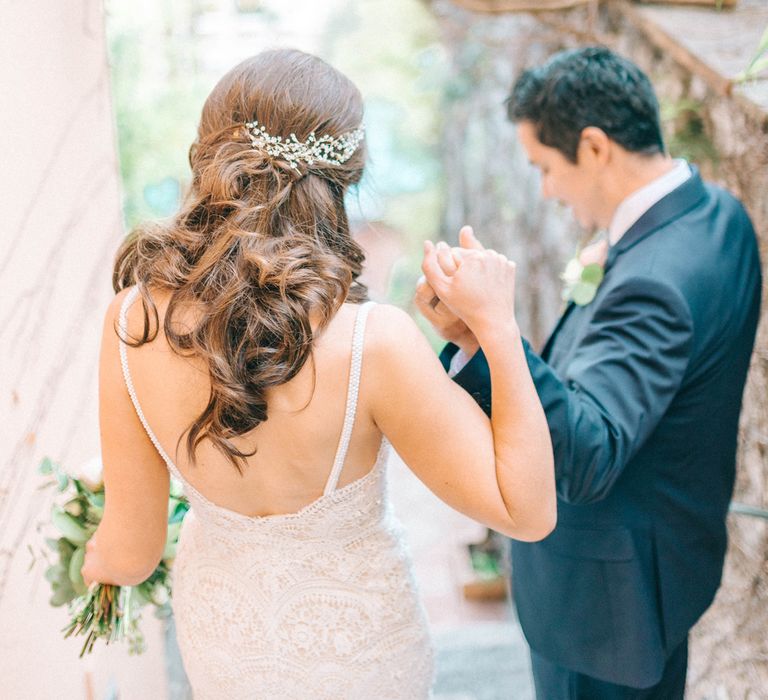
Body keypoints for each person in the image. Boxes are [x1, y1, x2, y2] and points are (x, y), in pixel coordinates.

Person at [80, 49, 555, 699]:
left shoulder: (130, 321)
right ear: (345, 177)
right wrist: (497, 329)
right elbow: (524, 511)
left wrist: (95, 561)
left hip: (229, 651)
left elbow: (130, 553)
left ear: (209, 157)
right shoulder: (372, 344)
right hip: (361, 658)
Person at [418, 46, 762, 700]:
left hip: (606, 613)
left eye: (546, 167)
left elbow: (589, 455)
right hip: (666, 569)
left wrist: (497, 333)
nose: (545, 188)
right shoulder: (717, 216)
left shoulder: (655, 280)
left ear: (596, 148)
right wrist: (478, 340)